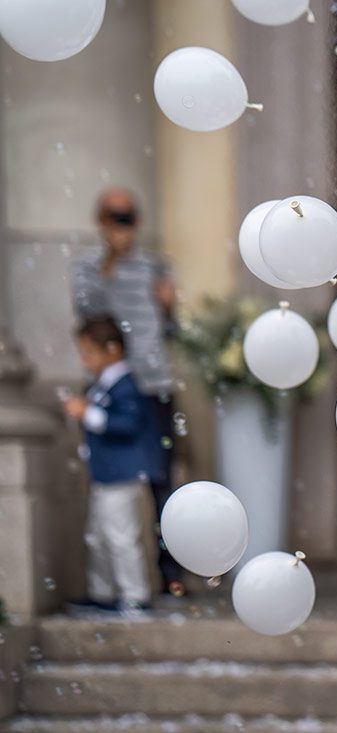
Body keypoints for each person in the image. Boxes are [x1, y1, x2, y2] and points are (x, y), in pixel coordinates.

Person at [71, 187, 186, 598]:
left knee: (162, 483)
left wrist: (170, 307)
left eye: (129, 218)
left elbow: (173, 332)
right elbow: (88, 321)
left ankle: (170, 574)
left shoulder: (155, 266)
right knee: (115, 485)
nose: (123, 227)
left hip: (154, 386)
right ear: (100, 221)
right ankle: (115, 587)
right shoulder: (88, 268)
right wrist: (109, 268)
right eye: (114, 218)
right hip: (116, 387)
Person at [63, 318, 156, 614]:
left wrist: (89, 412)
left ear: (113, 350)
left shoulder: (126, 384)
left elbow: (126, 425)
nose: (85, 360)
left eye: (89, 352)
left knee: (121, 537)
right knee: (99, 537)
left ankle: (135, 594)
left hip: (122, 475)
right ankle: (102, 592)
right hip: (105, 474)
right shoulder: (103, 384)